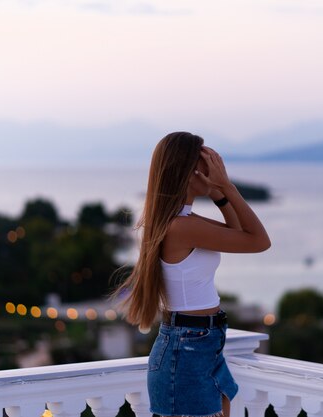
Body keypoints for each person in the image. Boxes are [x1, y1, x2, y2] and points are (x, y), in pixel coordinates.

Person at [115, 132, 271, 417]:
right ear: (188, 172)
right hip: (187, 350)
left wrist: (217, 194)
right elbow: (259, 241)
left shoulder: (180, 221)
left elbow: (237, 233)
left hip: (199, 344)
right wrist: (227, 186)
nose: (212, 170)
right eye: (204, 162)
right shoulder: (180, 227)